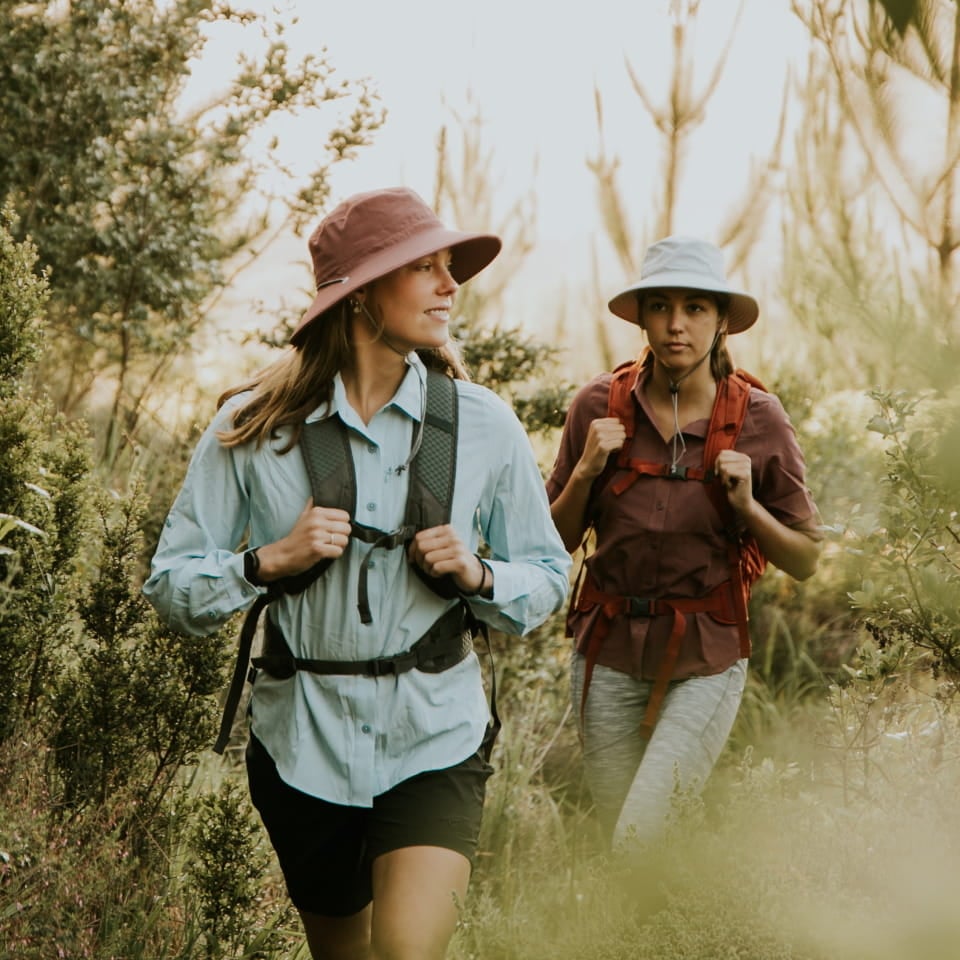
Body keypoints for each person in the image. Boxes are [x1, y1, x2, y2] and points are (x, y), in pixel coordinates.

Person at [143, 186, 571, 960]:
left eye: (450, 268)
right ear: (362, 292)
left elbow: (547, 575)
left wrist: (477, 574)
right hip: (302, 745)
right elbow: (172, 586)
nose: (451, 285)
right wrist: (266, 561)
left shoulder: (483, 424)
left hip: (436, 737)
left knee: (407, 953)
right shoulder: (250, 428)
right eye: (426, 268)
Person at [546, 235, 822, 851]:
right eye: (661, 307)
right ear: (640, 315)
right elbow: (551, 543)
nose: (677, 326)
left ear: (722, 320)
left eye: (696, 308)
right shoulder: (596, 405)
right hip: (608, 651)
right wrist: (588, 468)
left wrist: (749, 507)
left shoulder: (759, 417)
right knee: (625, 843)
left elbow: (805, 558)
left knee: (640, 838)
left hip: (707, 656)